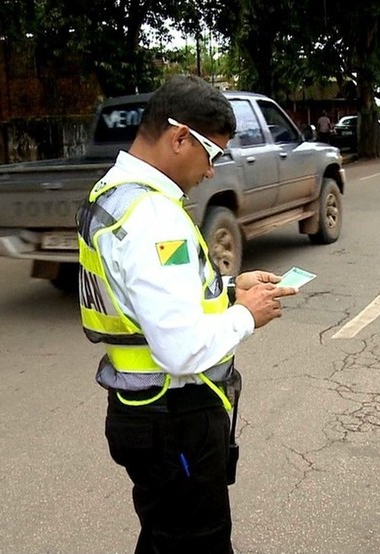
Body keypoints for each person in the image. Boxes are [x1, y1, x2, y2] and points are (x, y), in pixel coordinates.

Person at [76, 75, 297, 554]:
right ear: (179, 137)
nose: (212, 171)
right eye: (211, 155)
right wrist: (246, 314)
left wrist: (229, 287)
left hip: (144, 413)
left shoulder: (114, 194)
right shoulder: (153, 217)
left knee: (164, 538)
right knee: (197, 544)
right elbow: (181, 349)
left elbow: (150, 297)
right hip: (174, 418)